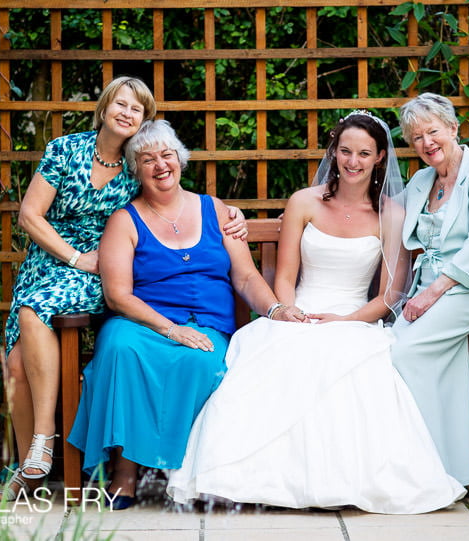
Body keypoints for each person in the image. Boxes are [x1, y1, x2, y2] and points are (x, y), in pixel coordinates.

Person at [167, 111, 467, 514]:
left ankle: (340, 481)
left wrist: (345, 322)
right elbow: (286, 276)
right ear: (334, 153)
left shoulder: (391, 215)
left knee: (353, 360)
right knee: (279, 351)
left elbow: (390, 294)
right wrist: (290, 313)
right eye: (345, 151)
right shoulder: (304, 202)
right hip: (300, 312)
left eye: (364, 153)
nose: (353, 161)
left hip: (356, 318)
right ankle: (255, 478)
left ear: (380, 157)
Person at [1, 77, 247, 500]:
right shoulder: (65, 150)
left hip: (103, 272)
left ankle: (41, 448)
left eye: (138, 109)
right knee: (18, 362)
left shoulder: (138, 169)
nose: (127, 113)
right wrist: (75, 257)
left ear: (144, 121)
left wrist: (232, 213)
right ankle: (33, 462)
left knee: (30, 316)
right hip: (53, 264)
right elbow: (29, 215)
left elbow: (172, 196)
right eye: (121, 103)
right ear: (104, 106)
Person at [66, 119, 305, 511]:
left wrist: (276, 309)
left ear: (180, 158)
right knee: (119, 348)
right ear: (134, 169)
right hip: (142, 323)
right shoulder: (124, 221)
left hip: (208, 325)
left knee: (201, 361)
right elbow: (118, 294)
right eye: (147, 159)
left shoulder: (219, 211)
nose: (160, 165)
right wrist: (170, 328)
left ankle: (183, 472)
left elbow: (245, 276)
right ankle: (125, 471)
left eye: (166, 154)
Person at [390, 93, 469, 488]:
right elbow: (381, 214)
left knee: (405, 352)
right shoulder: (420, 180)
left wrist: (431, 294)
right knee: (384, 352)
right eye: (416, 138)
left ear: (453, 128)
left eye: (433, 132)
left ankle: (424, 468)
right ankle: (450, 470)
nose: (427, 143)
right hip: (426, 288)